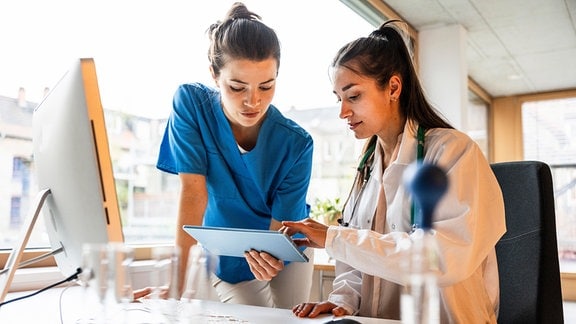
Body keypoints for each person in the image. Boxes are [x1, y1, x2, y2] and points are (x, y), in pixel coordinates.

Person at [282, 20, 506, 323]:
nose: (343, 112)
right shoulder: (368, 165)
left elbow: (442, 257)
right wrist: (341, 301)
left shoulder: (452, 153)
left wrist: (335, 238)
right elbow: (357, 266)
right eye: (339, 99)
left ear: (393, 87)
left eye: (354, 96)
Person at [154, 2, 314, 308]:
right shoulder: (191, 105)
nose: (253, 102)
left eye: (266, 86)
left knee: (290, 319)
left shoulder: (296, 143)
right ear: (214, 75)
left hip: (285, 239)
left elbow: (281, 229)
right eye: (237, 87)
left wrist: (271, 254)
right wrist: (175, 287)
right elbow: (192, 193)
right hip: (229, 253)